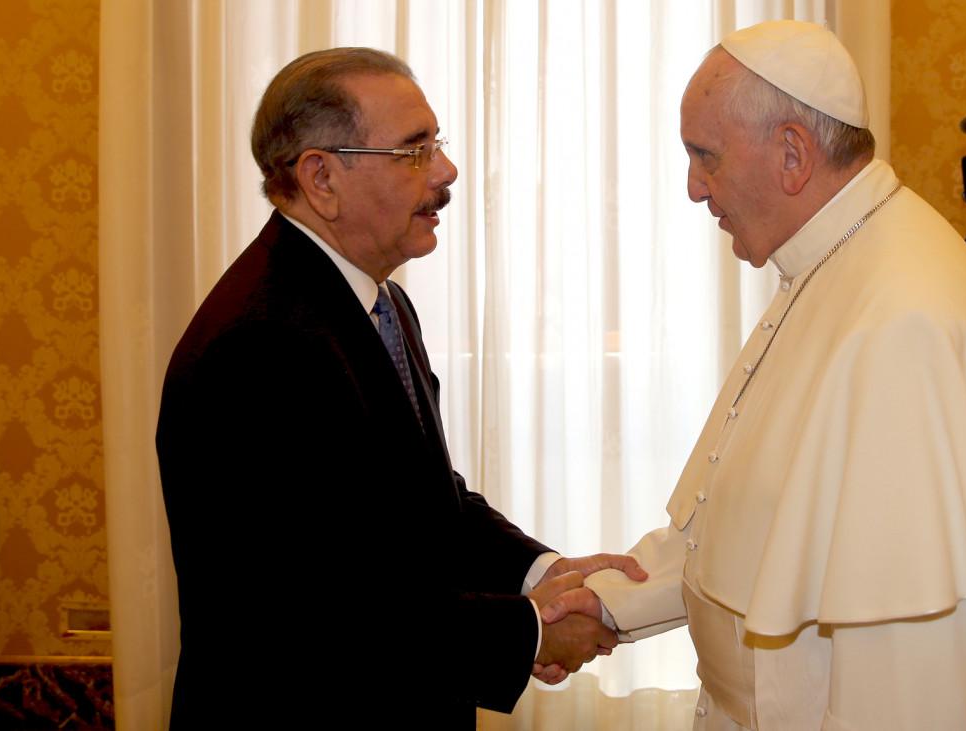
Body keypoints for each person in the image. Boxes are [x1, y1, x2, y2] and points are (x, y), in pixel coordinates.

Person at [564, 20, 966, 730]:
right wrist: (603, 600)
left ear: (791, 153)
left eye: (704, 156)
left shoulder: (906, 320)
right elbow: (744, 513)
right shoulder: (836, 262)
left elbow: (922, 674)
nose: (693, 188)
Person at [155, 47, 642, 729]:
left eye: (436, 144)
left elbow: (424, 503)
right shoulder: (259, 344)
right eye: (413, 152)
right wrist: (530, 630)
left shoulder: (379, 305)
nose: (446, 171)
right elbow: (321, 613)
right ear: (321, 178)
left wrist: (543, 571)